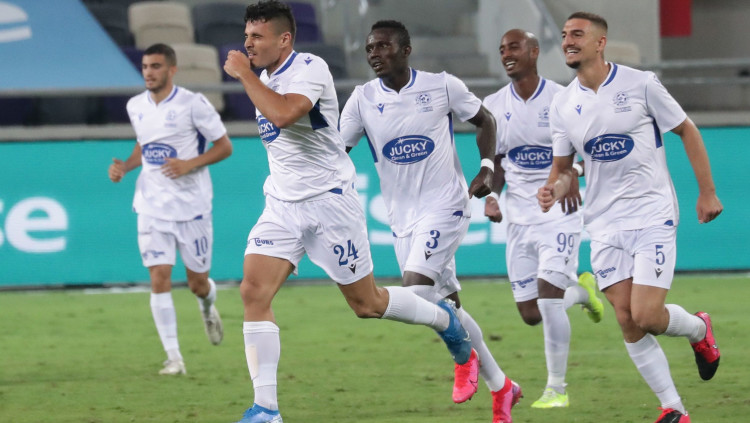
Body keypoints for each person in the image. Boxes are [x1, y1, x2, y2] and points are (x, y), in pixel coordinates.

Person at [222, 3, 476, 422]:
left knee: (367, 304)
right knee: (253, 292)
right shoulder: (263, 78)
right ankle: (266, 409)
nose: (247, 44)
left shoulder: (309, 68)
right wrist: (252, 76)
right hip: (282, 205)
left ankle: (444, 320)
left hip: (329, 204)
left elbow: (283, 114)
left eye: (257, 37)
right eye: (246, 36)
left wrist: (243, 75)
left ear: (284, 39)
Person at [537, 12, 722, 423]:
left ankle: (698, 329)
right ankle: (674, 408)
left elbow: (687, 130)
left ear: (600, 43)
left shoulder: (641, 84)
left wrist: (707, 191)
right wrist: (554, 189)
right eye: (565, 35)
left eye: (577, 34)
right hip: (604, 223)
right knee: (626, 318)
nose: (568, 41)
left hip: (651, 212)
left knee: (648, 316)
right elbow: (563, 170)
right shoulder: (562, 103)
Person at [340, 20, 522, 423]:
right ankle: (502, 387)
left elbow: (486, 121)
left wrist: (487, 168)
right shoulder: (362, 99)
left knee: (417, 291)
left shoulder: (441, 86)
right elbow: (338, 152)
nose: (374, 54)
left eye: (383, 46)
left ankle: (462, 357)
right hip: (401, 219)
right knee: (448, 307)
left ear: (405, 50)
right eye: (369, 48)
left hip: (446, 206)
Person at [482, 29, 604, 409]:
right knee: (531, 313)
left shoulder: (565, 99)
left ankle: (556, 388)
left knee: (549, 297)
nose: (507, 54)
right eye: (502, 49)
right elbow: (497, 162)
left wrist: (573, 175)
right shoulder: (493, 106)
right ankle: (582, 291)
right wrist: (492, 196)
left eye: (514, 47)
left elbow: (592, 152)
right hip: (519, 218)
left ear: (534, 52)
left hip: (559, 213)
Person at [108, 43, 233, 375]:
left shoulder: (193, 104)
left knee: (197, 284)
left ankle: (207, 306)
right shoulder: (135, 106)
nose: (149, 72)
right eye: (145, 67)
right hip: (151, 205)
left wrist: (190, 164)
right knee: (159, 277)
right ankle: (174, 357)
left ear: (172, 70)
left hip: (192, 208)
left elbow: (225, 147)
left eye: (156, 66)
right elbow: (145, 144)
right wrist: (126, 167)